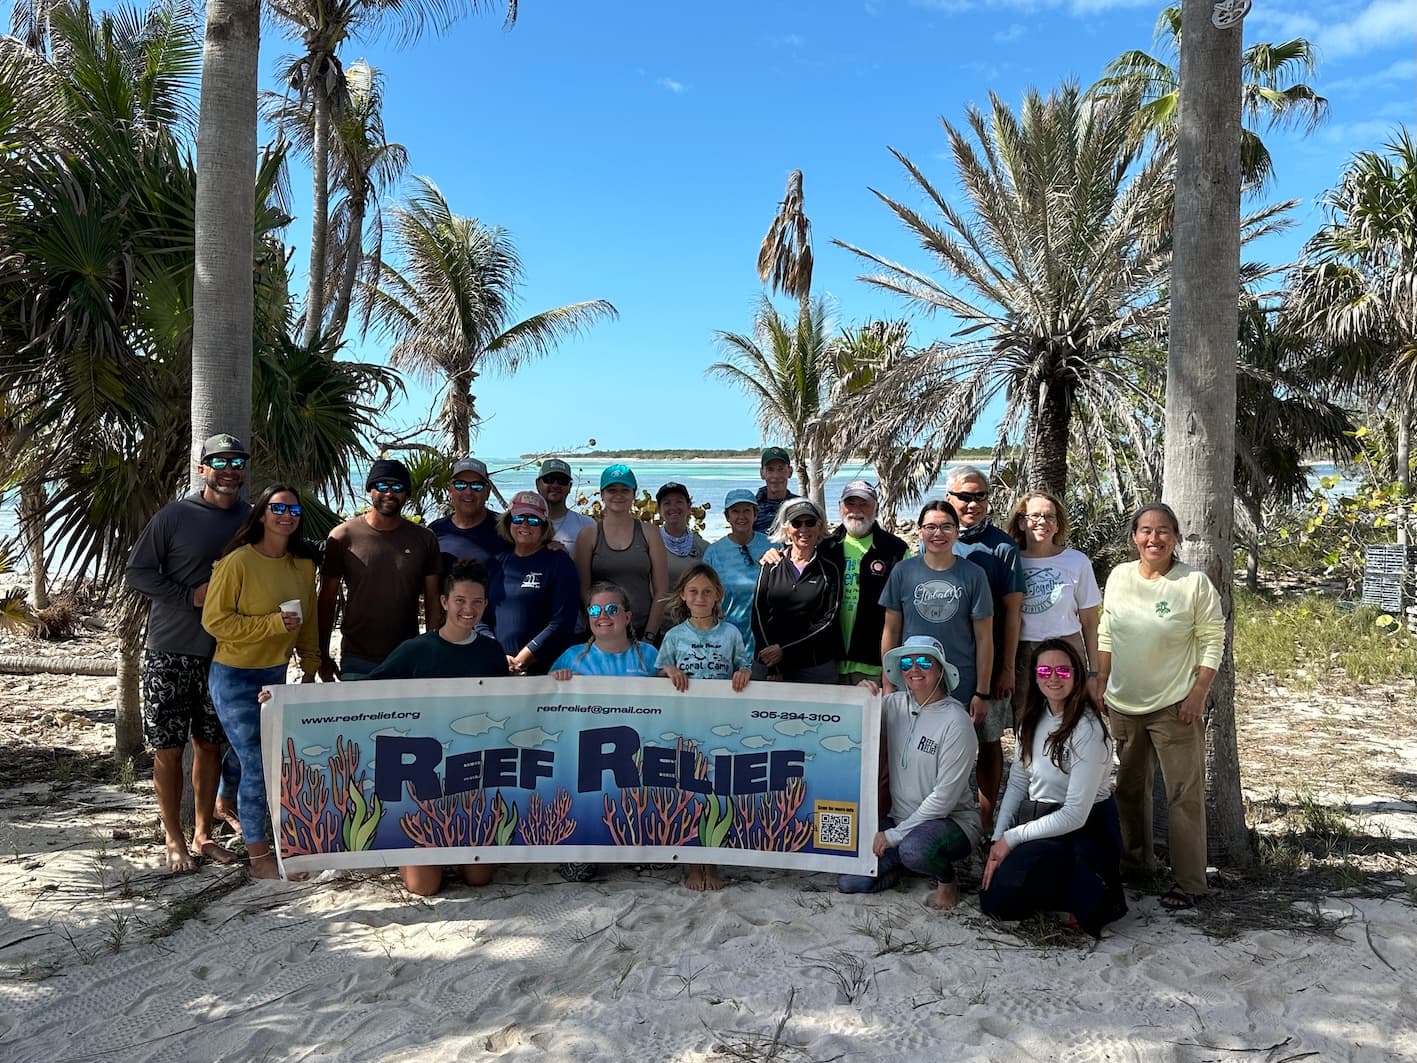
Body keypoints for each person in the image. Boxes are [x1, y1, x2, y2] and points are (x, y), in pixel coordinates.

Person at [125, 433, 251, 871]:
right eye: (220, 461)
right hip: (169, 649)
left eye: (237, 460)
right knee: (169, 750)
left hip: (224, 654)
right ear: (203, 469)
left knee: (210, 746)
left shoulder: (251, 520)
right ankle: (173, 838)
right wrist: (187, 596)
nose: (230, 468)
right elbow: (137, 572)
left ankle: (202, 835)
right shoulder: (175, 515)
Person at [1097, 502, 1224, 911]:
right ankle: (1137, 863)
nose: (1154, 538)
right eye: (1146, 530)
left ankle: (1191, 883)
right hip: (1122, 703)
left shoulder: (1194, 583)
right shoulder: (1118, 576)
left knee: (1183, 795)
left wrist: (1198, 693)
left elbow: (1212, 639)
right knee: (1129, 791)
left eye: (1163, 530)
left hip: (1175, 706)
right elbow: (1105, 632)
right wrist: (1100, 681)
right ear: (1134, 536)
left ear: (1176, 537)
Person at [362, 560, 509, 896]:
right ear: (444, 602)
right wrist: (285, 697)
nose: (468, 609)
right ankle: (413, 850)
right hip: (422, 781)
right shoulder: (416, 650)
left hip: (471, 779)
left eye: (476, 602)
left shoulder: (491, 651)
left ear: (486, 605)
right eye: (459, 600)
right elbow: (363, 694)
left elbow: (511, 706)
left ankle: (456, 848)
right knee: (423, 888)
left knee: (479, 879)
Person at [202, 485, 320, 879]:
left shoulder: (302, 567)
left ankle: (224, 803)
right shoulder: (237, 562)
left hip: (277, 674)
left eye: (293, 508)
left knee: (243, 753)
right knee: (259, 762)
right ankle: (259, 858)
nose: (286, 514)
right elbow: (214, 621)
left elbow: (310, 622)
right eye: (277, 507)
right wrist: (271, 624)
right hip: (233, 676)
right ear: (262, 513)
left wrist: (311, 662)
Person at [981, 639, 1126, 937]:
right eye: (1045, 670)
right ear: (1034, 677)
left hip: (1084, 829)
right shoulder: (1031, 720)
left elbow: (1075, 814)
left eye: (1063, 671)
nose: (1053, 678)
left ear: (1077, 675)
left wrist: (1013, 837)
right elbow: (1019, 782)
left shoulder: (1089, 730)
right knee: (995, 899)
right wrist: (997, 840)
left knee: (1084, 908)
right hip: (1040, 821)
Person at [836, 636, 979, 909]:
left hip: (951, 822)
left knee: (915, 849)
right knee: (849, 881)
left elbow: (944, 800)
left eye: (924, 662)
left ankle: (947, 881)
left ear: (940, 670)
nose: (915, 669)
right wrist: (860, 695)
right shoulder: (894, 704)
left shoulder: (956, 722)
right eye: (906, 662)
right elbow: (854, 722)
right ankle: (906, 864)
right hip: (899, 819)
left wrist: (892, 837)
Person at [549, 581, 660, 884]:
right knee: (578, 874)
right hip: (587, 765)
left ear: (627, 616)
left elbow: (674, 704)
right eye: (595, 610)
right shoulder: (572, 657)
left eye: (611, 609)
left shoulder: (649, 656)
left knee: (658, 862)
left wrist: (673, 673)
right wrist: (556, 681)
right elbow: (545, 708)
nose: (603, 616)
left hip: (637, 763)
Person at [656, 563, 751, 892]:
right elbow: (659, 673)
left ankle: (713, 862)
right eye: (693, 591)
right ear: (683, 595)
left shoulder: (732, 633)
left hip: (720, 724)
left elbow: (744, 667)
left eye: (707, 592)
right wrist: (669, 671)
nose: (700, 597)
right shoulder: (674, 635)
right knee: (689, 792)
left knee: (716, 794)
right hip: (684, 724)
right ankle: (693, 864)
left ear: (718, 596)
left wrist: (743, 674)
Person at [946, 465, 1025, 836]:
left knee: (989, 742)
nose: (973, 503)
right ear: (950, 498)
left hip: (987, 664)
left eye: (980, 496)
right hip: (943, 665)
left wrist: (1006, 667)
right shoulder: (937, 539)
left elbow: (1012, 614)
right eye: (965, 496)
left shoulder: (1003, 547)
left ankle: (985, 819)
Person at [318, 459, 442, 679]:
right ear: (370, 490)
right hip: (357, 657)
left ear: (406, 494)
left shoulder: (424, 539)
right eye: (382, 486)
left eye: (397, 487)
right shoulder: (342, 536)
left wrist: (430, 648)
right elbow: (327, 600)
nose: (389, 493)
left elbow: (433, 599)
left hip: (409, 656)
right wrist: (323, 655)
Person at [879, 499, 993, 728]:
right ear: (920, 531)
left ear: (956, 532)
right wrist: (889, 682)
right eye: (930, 527)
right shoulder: (903, 571)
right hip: (912, 677)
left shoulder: (974, 575)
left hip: (959, 682)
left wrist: (982, 692)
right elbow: (891, 630)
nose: (938, 533)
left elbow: (984, 638)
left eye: (946, 527)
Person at [1006, 490, 1102, 713]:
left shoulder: (1077, 561)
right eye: (1035, 516)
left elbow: (1090, 621)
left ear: (1058, 525)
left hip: (1067, 648)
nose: (1043, 522)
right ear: (1022, 523)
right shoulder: (1010, 561)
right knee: (1025, 719)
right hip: (1023, 653)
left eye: (1050, 517)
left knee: (1070, 717)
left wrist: (1094, 672)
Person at [820, 480, 908, 687]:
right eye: (851, 504)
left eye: (864, 504)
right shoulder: (825, 547)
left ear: (876, 508)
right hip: (828, 664)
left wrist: (892, 671)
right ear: (840, 507)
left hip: (875, 668)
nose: (856, 511)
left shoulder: (895, 550)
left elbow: (905, 611)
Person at [574, 464, 668, 645]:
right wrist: (598, 629)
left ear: (634, 493)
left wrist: (649, 635)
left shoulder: (650, 533)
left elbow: (661, 591)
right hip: (601, 630)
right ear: (602, 494)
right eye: (612, 490)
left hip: (642, 630)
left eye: (625, 490)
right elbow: (583, 591)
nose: (618, 495)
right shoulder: (588, 535)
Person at [487, 492, 580, 675]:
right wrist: (496, 654)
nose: (524, 524)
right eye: (519, 518)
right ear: (508, 521)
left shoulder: (559, 563)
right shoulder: (496, 563)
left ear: (544, 526)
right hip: (497, 665)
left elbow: (562, 622)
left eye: (533, 520)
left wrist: (523, 658)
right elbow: (481, 617)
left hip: (544, 669)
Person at [750, 498, 841, 683]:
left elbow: (828, 621)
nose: (804, 529)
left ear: (819, 527)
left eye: (810, 522)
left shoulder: (830, 570)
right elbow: (758, 614)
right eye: (796, 523)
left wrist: (784, 650)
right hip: (769, 664)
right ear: (786, 529)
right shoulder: (770, 564)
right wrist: (773, 663)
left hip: (813, 666)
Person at [704, 488, 773, 661]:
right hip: (724, 642)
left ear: (755, 515)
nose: (741, 516)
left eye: (747, 511)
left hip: (764, 642)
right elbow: (704, 600)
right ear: (727, 517)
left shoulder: (773, 547)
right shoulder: (713, 552)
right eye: (735, 511)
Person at [429, 456, 506, 573]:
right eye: (460, 485)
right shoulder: (435, 531)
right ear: (450, 490)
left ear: (487, 492)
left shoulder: (505, 527)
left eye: (477, 486)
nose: (468, 492)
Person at [655, 482, 711, 589]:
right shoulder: (650, 544)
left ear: (689, 507)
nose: (673, 507)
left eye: (679, 502)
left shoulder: (704, 547)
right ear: (659, 510)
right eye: (667, 503)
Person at [536, 458, 595, 551]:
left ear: (570, 487)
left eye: (562, 480)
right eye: (549, 479)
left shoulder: (587, 525)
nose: (555, 485)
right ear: (538, 484)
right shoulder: (523, 524)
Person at [753, 446, 798, 534]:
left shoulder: (799, 505)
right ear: (762, 473)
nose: (776, 476)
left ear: (790, 472)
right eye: (770, 469)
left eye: (781, 469)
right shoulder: (752, 508)